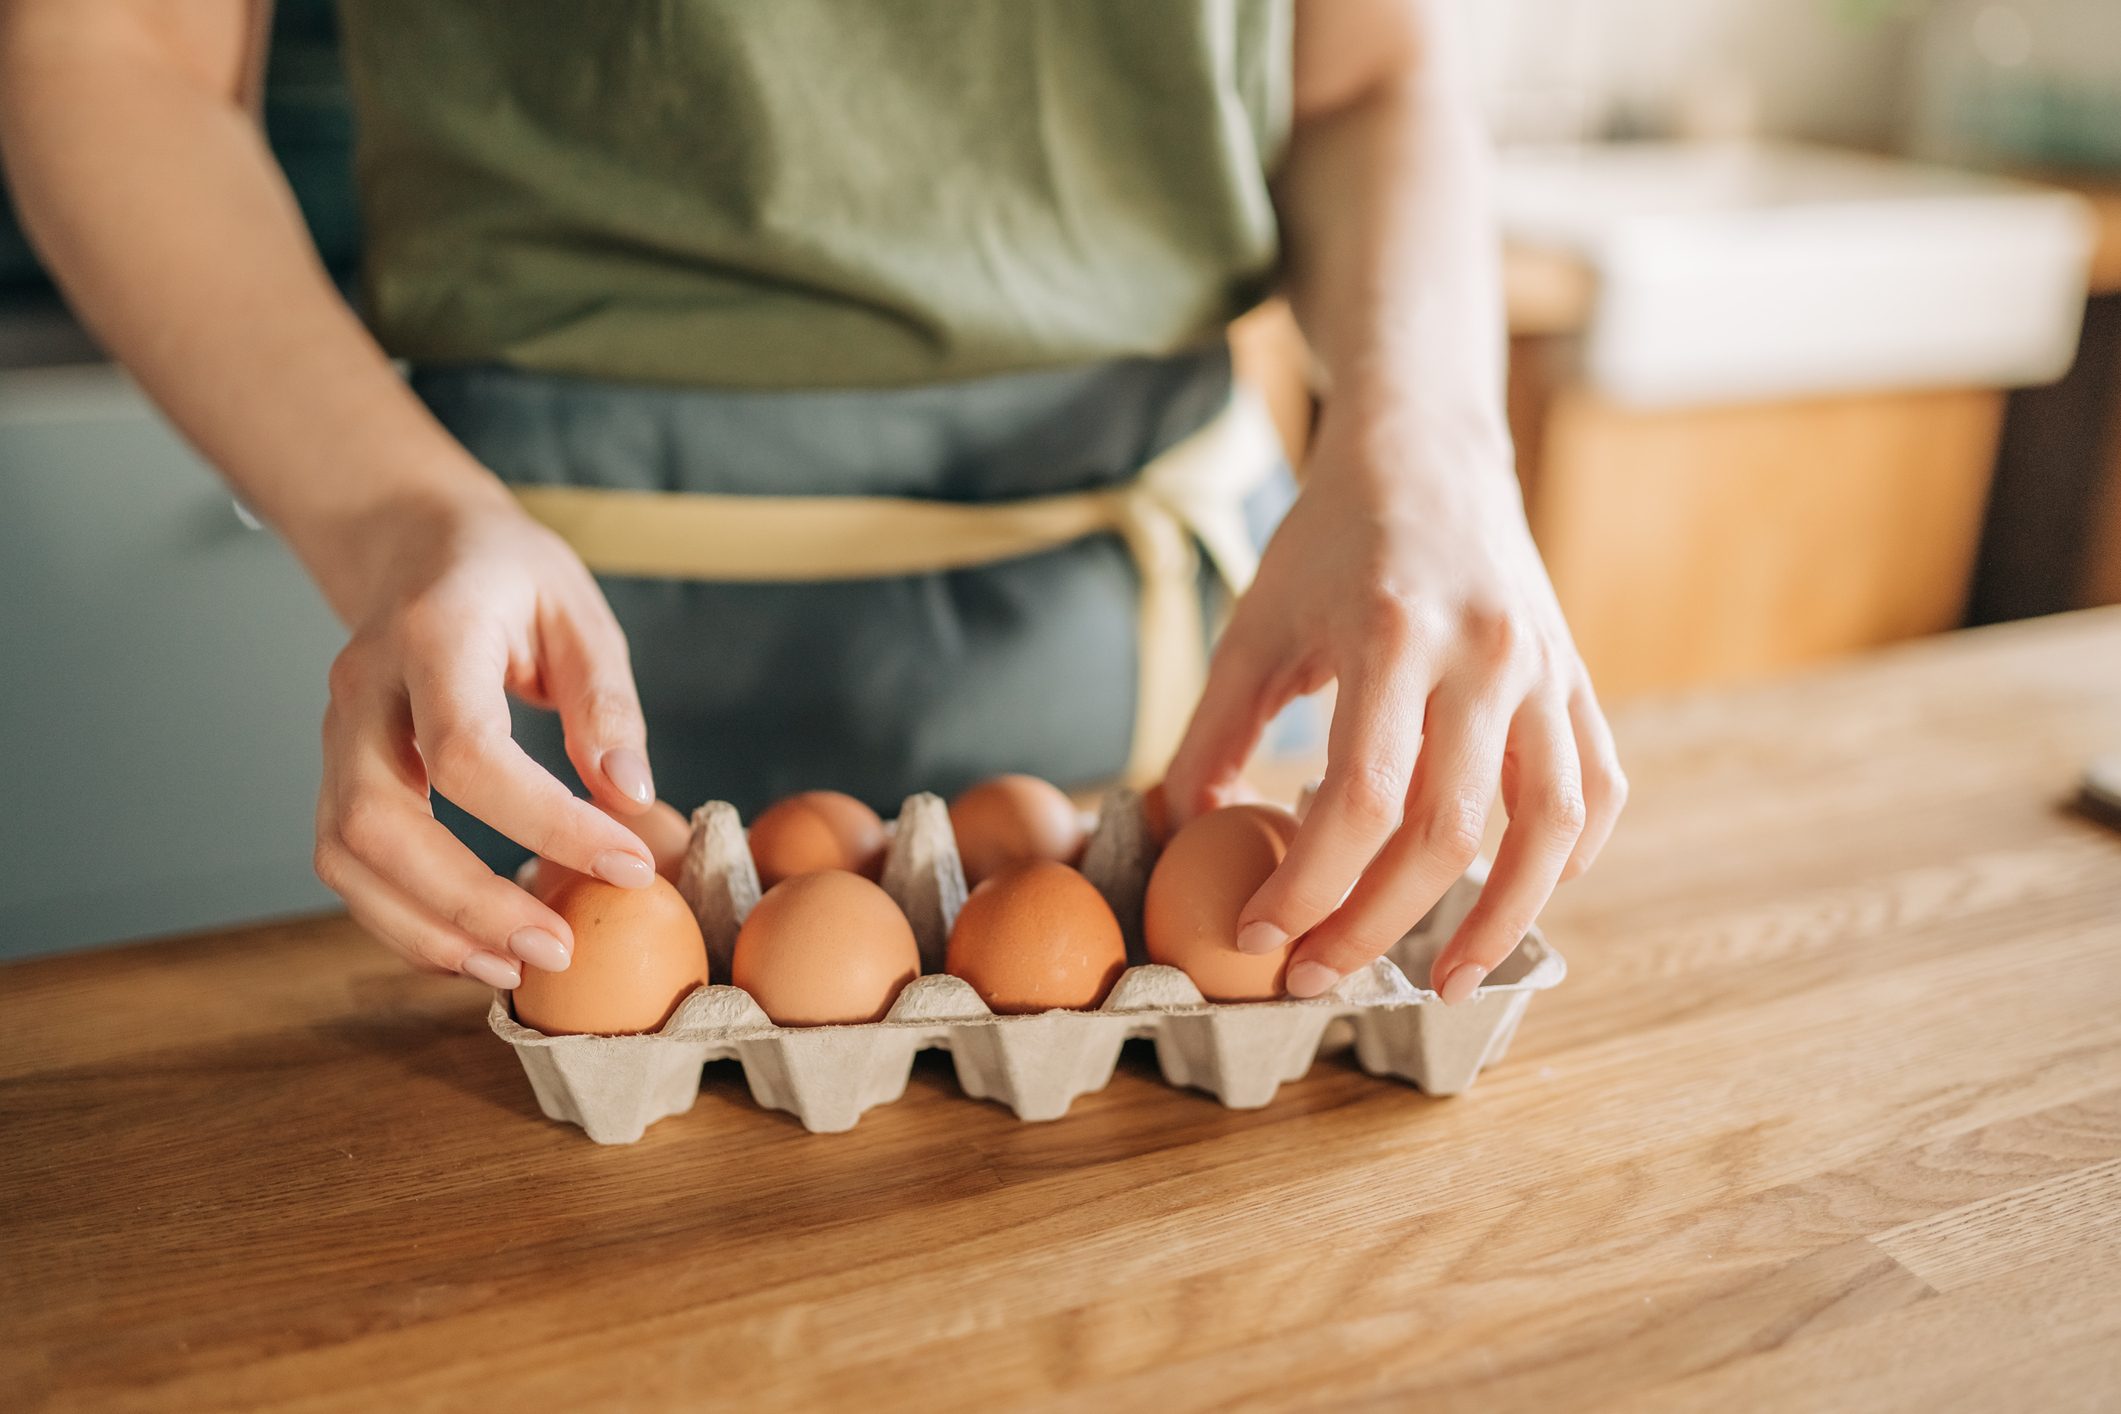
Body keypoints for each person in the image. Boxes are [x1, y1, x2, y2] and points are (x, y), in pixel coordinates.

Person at [0, 0, 1624, 1004]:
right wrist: (391, 518)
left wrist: (1427, 436)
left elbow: (1361, 73)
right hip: (549, 651)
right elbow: (110, 47)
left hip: (1157, 625)